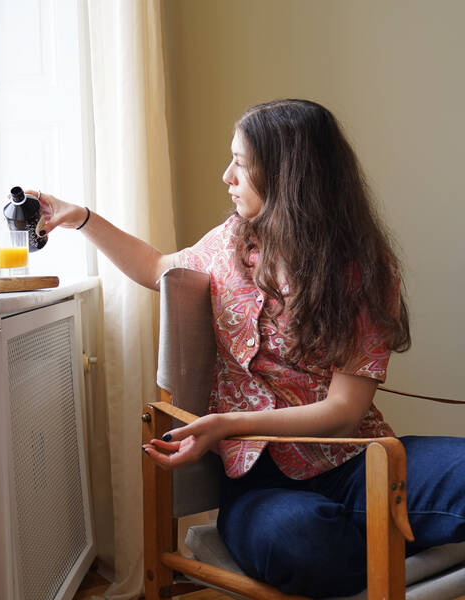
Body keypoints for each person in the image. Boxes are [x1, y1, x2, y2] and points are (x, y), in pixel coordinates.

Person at [33, 99, 465, 597]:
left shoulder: (364, 267)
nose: (227, 176)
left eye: (240, 162)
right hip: (262, 482)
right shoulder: (228, 243)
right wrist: (82, 219)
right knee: (295, 539)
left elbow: (345, 412)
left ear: (287, 176)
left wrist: (228, 423)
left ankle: (374, 540)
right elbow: (156, 269)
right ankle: (394, 539)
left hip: (358, 460)